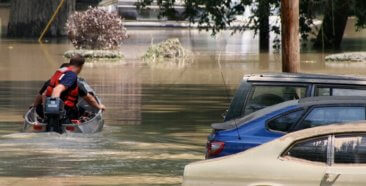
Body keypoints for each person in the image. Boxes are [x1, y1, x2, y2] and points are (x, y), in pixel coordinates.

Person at [32, 55, 105, 121]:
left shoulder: (55, 77)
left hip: (45, 111)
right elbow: (89, 98)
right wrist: (98, 106)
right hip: (65, 113)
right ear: (81, 66)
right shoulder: (72, 76)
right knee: (83, 111)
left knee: (39, 108)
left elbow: (42, 94)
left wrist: (36, 107)